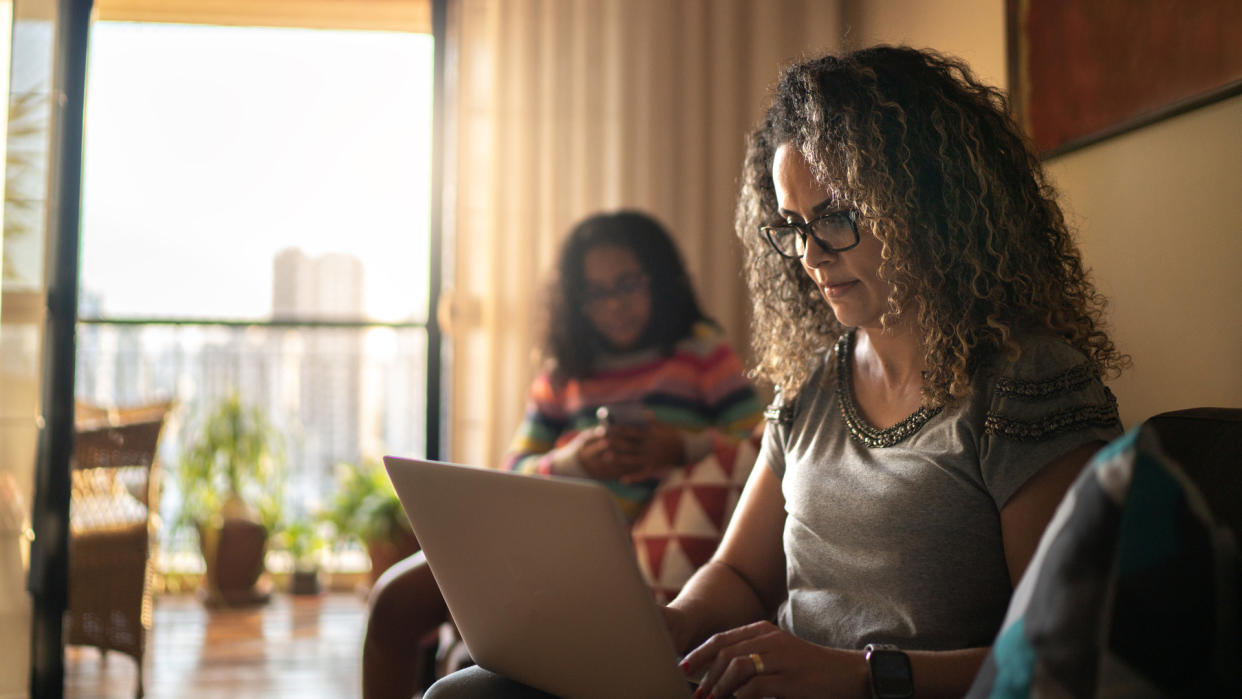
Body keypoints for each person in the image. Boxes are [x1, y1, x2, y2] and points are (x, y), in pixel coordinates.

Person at [425, 45, 1127, 699]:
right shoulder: (815, 385)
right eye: (792, 225)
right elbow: (736, 572)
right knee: (467, 691)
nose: (811, 254)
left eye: (838, 217)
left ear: (927, 206)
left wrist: (857, 674)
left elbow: (1058, 647)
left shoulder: (1027, 382)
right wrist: (669, 625)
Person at [363, 210, 763, 699]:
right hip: (541, 544)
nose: (614, 305)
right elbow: (514, 471)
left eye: (627, 284)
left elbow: (758, 443)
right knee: (393, 600)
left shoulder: (701, 351)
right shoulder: (564, 372)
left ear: (659, 280)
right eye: (596, 293)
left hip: (611, 559)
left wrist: (678, 447)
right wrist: (575, 461)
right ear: (576, 301)